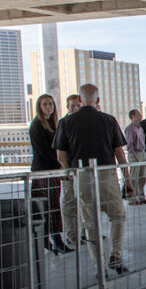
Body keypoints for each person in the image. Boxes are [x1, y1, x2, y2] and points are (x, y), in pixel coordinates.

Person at [52, 83, 130, 275]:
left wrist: (71, 174)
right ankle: (116, 256)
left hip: (81, 177)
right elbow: (119, 152)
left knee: (90, 224)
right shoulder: (109, 120)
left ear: (79, 100)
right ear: (98, 100)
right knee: (118, 216)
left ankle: (99, 267)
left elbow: (60, 155)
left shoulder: (66, 123)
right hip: (106, 175)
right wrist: (127, 179)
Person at [28, 93, 73, 255]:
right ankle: (51, 240)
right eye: (45, 104)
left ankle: (52, 240)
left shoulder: (53, 124)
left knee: (52, 206)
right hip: (44, 171)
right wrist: (60, 165)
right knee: (47, 207)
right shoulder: (37, 126)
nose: (48, 107)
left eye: (51, 104)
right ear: (39, 107)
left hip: (52, 171)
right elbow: (44, 152)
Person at [58, 94, 82, 247]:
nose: (75, 108)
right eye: (72, 105)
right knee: (69, 204)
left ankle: (85, 233)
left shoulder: (83, 123)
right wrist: (68, 171)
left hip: (83, 171)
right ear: (67, 106)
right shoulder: (63, 123)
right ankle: (71, 235)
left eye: (78, 105)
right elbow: (61, 153)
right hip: (69, 172)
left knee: (84, 204)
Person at [123, 109, 146, 204]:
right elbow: (129, 143)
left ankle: (141, 196)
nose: (140, 115)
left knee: (143, 176)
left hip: (142, 152)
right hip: (134, 153)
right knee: (134, 176)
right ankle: (133, 198)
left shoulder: (140, 127)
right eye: (138, 114)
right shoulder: (130, 128)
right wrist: (133, 155)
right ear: (132, 116)